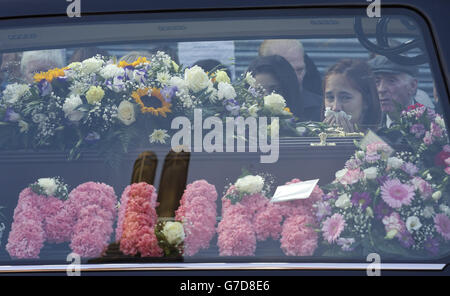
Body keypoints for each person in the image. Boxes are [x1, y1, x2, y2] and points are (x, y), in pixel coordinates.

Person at [258, 39, 322, 121]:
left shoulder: (321, 109)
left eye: (300, 70)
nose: (296, 78)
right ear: (264, 68)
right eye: (287, 71)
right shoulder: (250, 110)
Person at [322, 59, 381, 133]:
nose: (335, 108)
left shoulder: (381, 141)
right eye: (330, 97)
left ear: (366, 102)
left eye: (345, 98)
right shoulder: (311, 138)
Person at [368, 55, 424, 128]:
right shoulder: (369, 125)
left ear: (412, 86)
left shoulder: (434, 124)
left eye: (391, 81)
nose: (381, 89)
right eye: (377, 81)